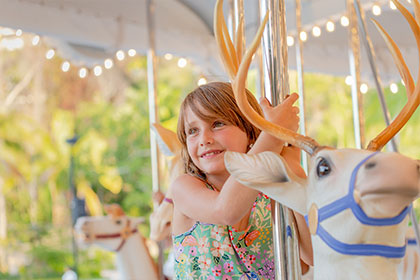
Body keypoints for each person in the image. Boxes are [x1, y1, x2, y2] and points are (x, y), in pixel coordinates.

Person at [171, 82, 313, 279]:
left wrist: (292, 171)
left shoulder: (268, 192)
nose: (204, 139)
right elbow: (225, 211)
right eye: (193, 131)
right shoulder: (185, 187)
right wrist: (272, 137)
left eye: (217, 124)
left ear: (250, 131)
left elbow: (309, 258)